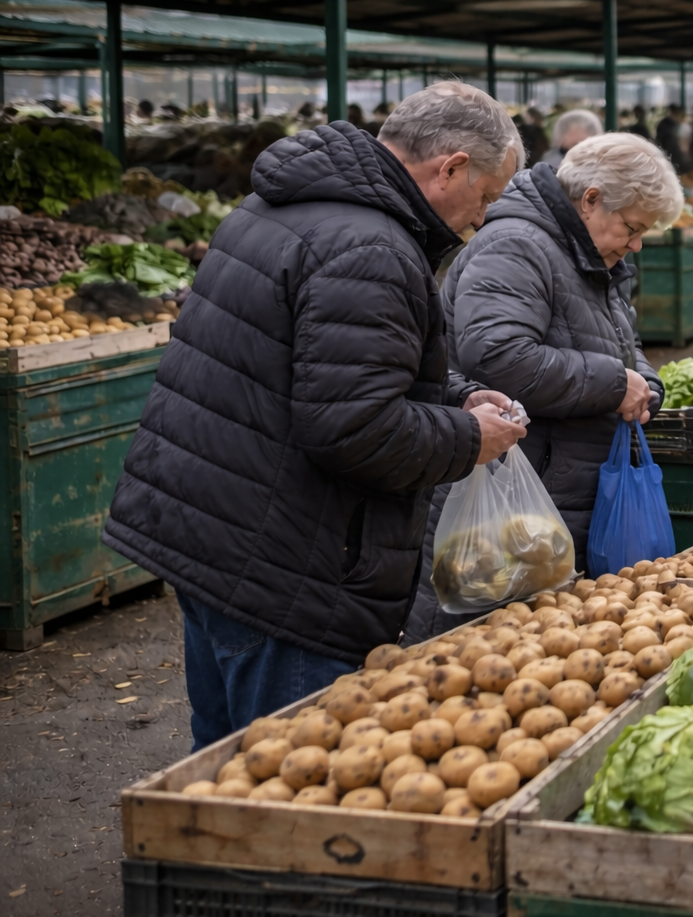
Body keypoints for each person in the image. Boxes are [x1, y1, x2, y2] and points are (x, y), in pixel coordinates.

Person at [102, 82, 527, 749]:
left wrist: (450, 400)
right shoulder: (372, 247)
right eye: (487, 196)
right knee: (288, 774)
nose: (481, 218)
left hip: (211, 534)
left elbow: (305, 376)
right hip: (286, 567)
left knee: (222, 765)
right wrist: (469, 436)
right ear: (450, 168)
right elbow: (352, 428)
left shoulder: (280, 207)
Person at [402, 133, 682, 641]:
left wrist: (644, 385)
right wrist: (614, 383)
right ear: (591, 199)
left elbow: (623, 342)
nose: (636, 244)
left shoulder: (594, 256)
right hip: (510, 506)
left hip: (552, 505)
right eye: (632, 227)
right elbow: (499, 354)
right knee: (476, 649)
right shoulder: (517, 245)